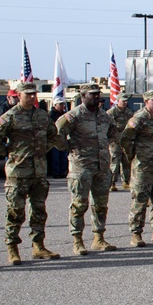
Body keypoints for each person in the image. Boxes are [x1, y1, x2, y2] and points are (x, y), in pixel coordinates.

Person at [0, 81, 62, 264]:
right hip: (18, 172)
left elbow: (53, 135)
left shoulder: (42, 116)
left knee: (39, 211)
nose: (32, 97)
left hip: (38, 172)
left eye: (34, 94)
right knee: (15, 212)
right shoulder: (10, 116)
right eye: (28, 94)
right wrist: (8, 152)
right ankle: (12, 248)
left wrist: (44, 149)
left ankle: (38, 246)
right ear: (18, 96)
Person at [55, 83, 118, 255]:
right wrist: (69, 147)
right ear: (83, 96)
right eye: (92, 94)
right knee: (79, 204)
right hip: (81, 167)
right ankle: (77, 240)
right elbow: (56, 133)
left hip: (101, 167)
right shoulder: (74, 116)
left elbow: (112, 134)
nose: (97, 97)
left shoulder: (104, 116)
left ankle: (99, 238)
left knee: (100, 204)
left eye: (98, 94)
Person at [120, 90, 153, 247]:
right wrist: (134, 157)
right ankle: (136, 233)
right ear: (146, 101)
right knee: (140, 200)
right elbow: (125, 140)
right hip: (142, 167)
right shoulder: (138, 119)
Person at [107, 94, 134, 191]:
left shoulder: (129, 112)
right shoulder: (111, 113)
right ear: (118, 101)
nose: (125, 103)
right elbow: (107, 127)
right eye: (123, 101)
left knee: (126, 161)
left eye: (126, 101)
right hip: (115, 141)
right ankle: (112, 183)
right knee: (114, 162)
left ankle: (126, 181)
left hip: (125, 141)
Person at [48, 100, 69, 179]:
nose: (62, 106)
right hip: (55, 139)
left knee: (63, 156)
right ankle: (56, 172)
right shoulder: (51, 115)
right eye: (60, 104)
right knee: (56, 157)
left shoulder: (64, 114)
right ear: (55, 105)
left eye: (63, 104)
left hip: (63, 138)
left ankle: (63, 172)